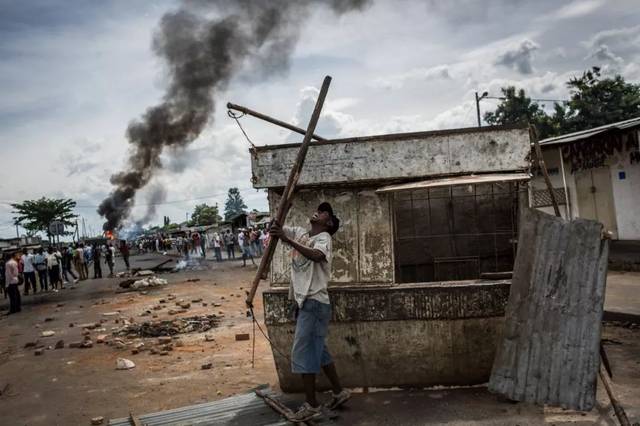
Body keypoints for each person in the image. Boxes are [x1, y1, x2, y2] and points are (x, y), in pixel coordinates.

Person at [269, 202, 350, 421]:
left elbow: (316, 255)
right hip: (307, 302)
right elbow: (278, 230)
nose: (318, 212)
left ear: (329, 222)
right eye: (320, 210)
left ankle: (312, 405)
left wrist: (287, 240)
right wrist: (275, 226)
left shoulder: (324, 239)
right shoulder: (300, 233)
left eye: (324, 212)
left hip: (315, 303)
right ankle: (339, 392)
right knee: (319, 350)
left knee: (303, 352)